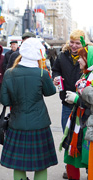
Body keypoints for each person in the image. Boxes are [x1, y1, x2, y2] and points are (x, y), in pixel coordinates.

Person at [0, 38, 58, 180]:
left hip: (17, 123)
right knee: (41, 164)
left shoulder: (9, 73)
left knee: (19, 165)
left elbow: (5, 100)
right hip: (39, 124)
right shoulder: (41, 73)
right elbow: (50, 92)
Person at [52, 29, 85, 179]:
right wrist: (57, 78)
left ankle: (87, 166)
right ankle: (69, 166)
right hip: (67, 103)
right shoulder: (62, 56)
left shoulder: (88, 56)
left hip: (85, 105)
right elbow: (55, 70)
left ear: (83, 43)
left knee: (84, 136)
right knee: (68, 136)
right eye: (71, 42)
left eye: (77, 43)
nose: (73, 45)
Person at [59, 38, 92, 180]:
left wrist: (77, 99)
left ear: (89, 59)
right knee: (71, 156)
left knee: (87, 157)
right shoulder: (85, 73)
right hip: (78, 120)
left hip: (88, 124)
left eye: (81, 58)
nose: (78, 60)